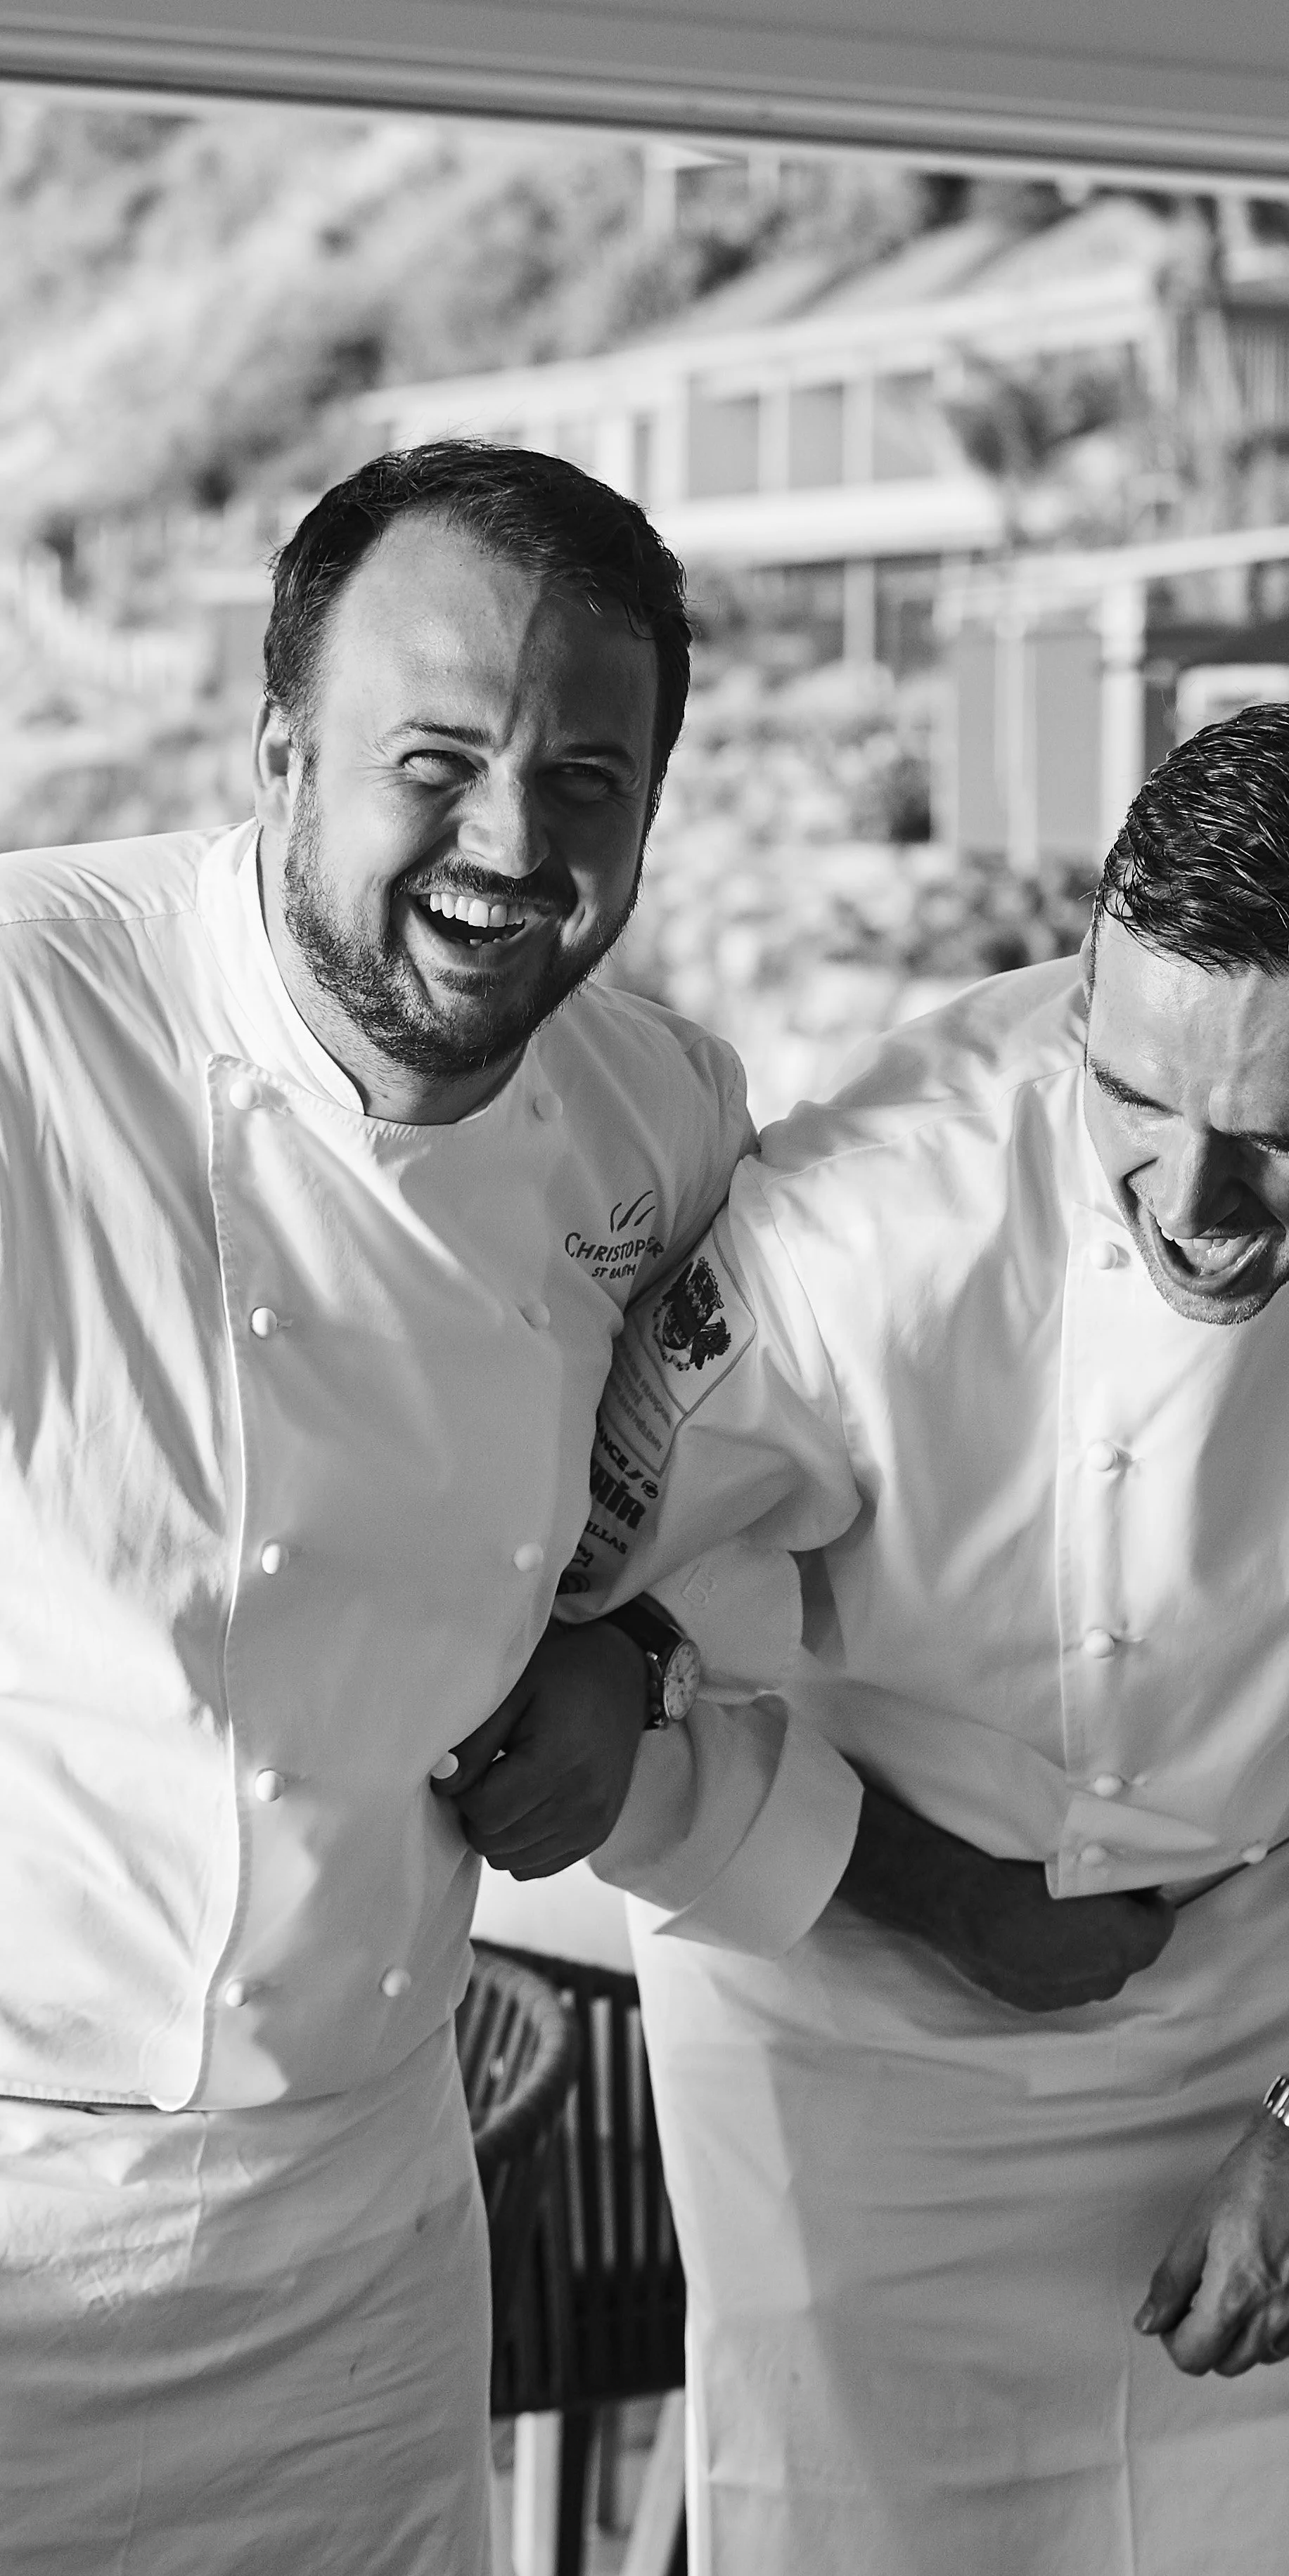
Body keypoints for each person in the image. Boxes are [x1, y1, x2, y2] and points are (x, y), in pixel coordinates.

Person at [547, 703, 1289, 2574]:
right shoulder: (868, 1220)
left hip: (1277, 1966)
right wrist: (938, 1895)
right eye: (1131, 1099)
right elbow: (567, 1640)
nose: (1190, 1199)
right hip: (863, 2009)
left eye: (1281, 1140)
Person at [0, 441, 802, 2573]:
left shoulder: (664, 1117)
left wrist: (626, 1653)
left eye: (589, 782)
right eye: (432, 760)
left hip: (359, 2215)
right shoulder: (28, 1024)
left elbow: (739, 1498)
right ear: (278, 749)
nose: (512, 845)